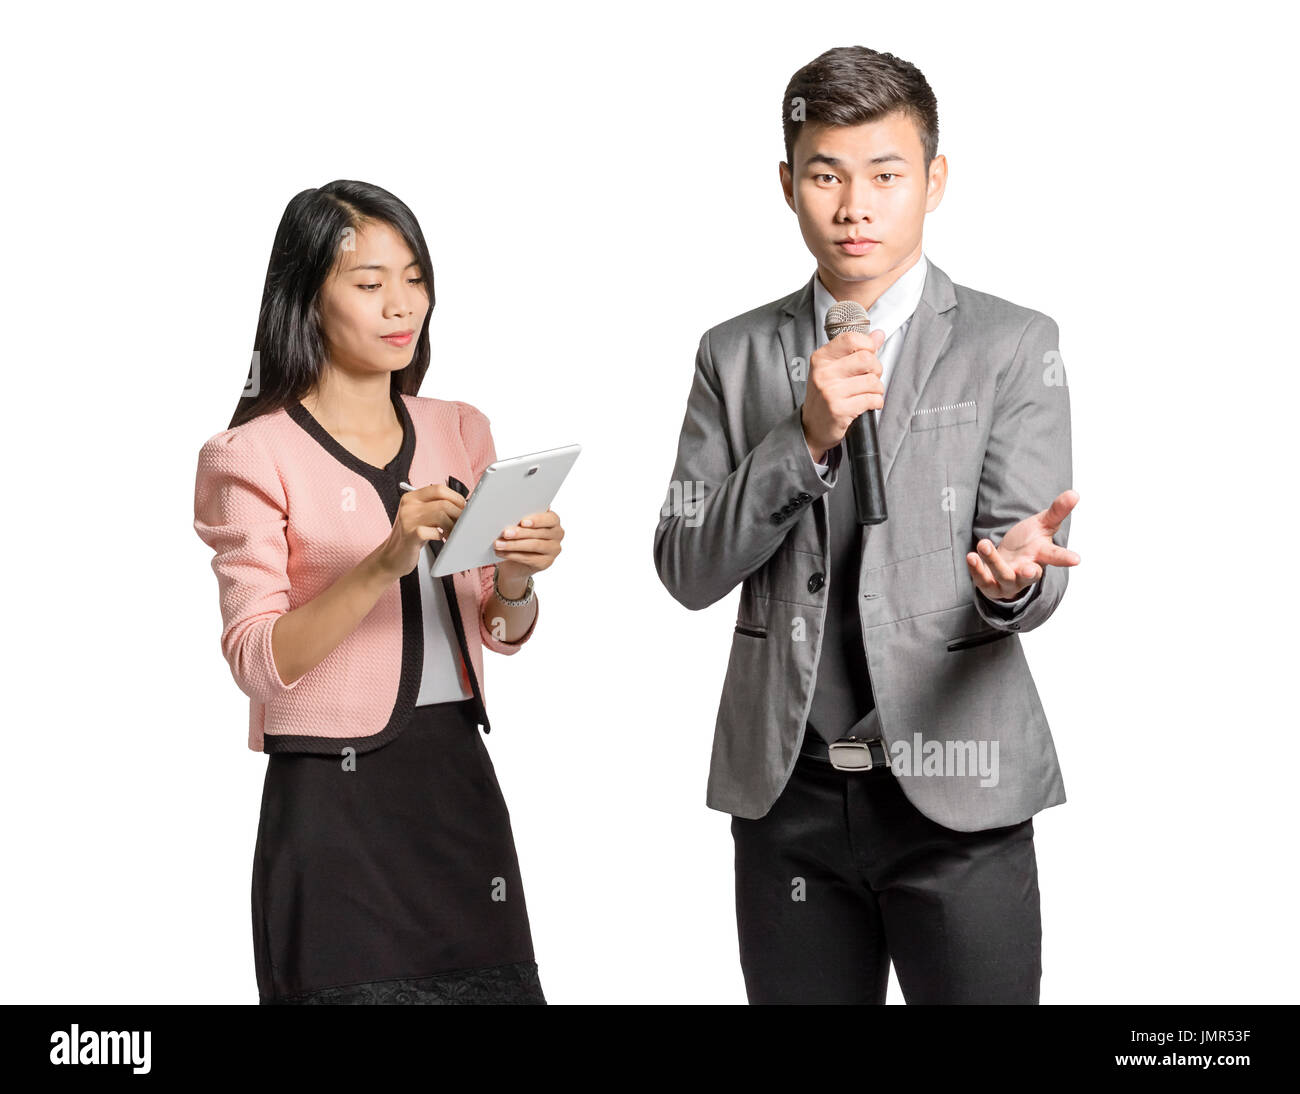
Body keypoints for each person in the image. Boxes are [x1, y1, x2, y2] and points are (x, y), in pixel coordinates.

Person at [653, 46, 1080, 1004]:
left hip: (957, 794)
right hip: (789, 796)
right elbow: (684, 563)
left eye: (886, 175)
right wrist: (799, 438)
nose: (855, 206)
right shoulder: (733, 355)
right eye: (826, 175)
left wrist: (1013, 581)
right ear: (787, 185)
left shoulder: (1013, 345)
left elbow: (1031, 550)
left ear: (933, 180)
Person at [192, 179, 563, 1004]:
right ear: (306, 298)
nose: (402, 306)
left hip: (458, 784)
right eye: (368, 284)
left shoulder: (459, 428)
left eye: (414, 278)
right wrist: (380, 559)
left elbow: (500, 627)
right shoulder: (248, 455)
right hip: (333, 803)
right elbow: (256, 660)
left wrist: (514, 578)